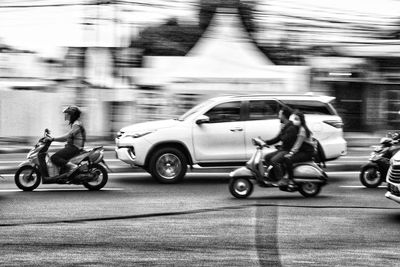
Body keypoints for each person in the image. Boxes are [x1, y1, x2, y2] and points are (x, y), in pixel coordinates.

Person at [264, 106, 298, 187]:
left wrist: (282, 130)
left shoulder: (291, 127)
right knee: (267, 157)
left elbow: (285, 139)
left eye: (280, 114)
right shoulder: (285, 126)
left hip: (288, 150)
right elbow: (277, 138)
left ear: (284, 116)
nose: (278, 116)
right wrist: (265, 142)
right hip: (282, 149)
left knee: (273, 160)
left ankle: (281, 179)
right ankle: (273, 177)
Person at [47, 105, 86, 176]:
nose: (65, 115)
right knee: (59, 156)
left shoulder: (76, 124)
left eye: (67, 114)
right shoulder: (75, 124)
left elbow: (66, 137)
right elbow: (67, 138)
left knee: (54, 157)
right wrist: (52, 139)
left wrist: (53, 139)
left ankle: (73, 167)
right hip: (72, 147)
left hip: (74, 148)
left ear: (72, 115)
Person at [283, 110, 315, 186]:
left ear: (301, 120)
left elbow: (298, 144)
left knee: (288, 159)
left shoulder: (302, 130)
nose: (294, 121)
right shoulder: (300, 128)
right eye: (294, 119)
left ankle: (291, 180)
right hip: (304, 151)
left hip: (307, 152)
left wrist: (291, 153)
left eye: (297, 119)